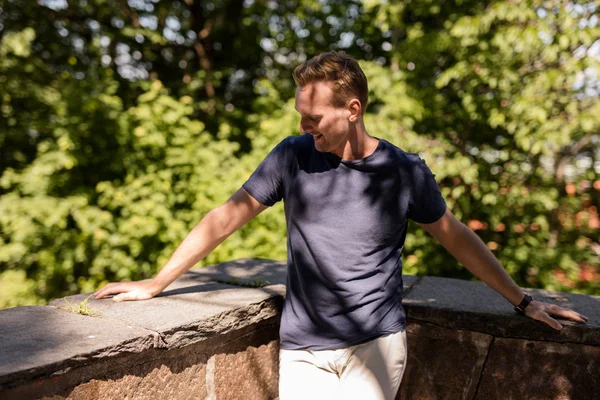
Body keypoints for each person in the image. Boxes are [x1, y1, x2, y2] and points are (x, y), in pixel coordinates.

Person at [94, 51, 588, 400]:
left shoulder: (403, 172)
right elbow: (225, 217)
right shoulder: (292, 156)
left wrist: (521, 300)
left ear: (353, 110)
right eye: (301, 117)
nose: (305, 127)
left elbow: (456, 237)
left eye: (314, 119)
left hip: (374, 345)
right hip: (304, 347)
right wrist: (158, 282)